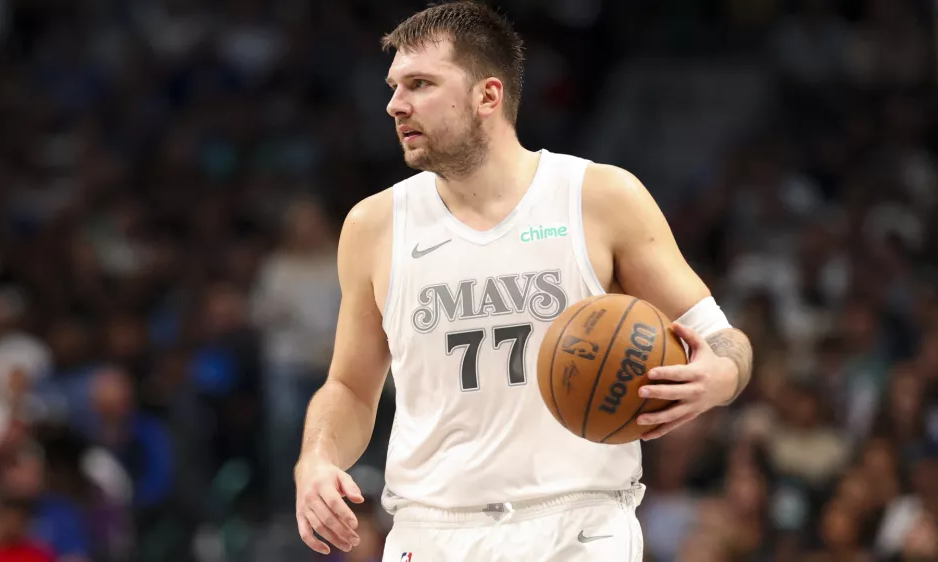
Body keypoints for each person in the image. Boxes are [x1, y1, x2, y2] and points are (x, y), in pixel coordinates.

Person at [294, 2, 754, 560]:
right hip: (430, 529)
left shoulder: (599, 197)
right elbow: (349, 388)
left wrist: (720, 376)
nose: (395, 104)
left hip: (578, 525)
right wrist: (317, 459)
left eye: (420, 84)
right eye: (394, 86)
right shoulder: (373, 225)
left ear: (488, 96)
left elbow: (723, 337)